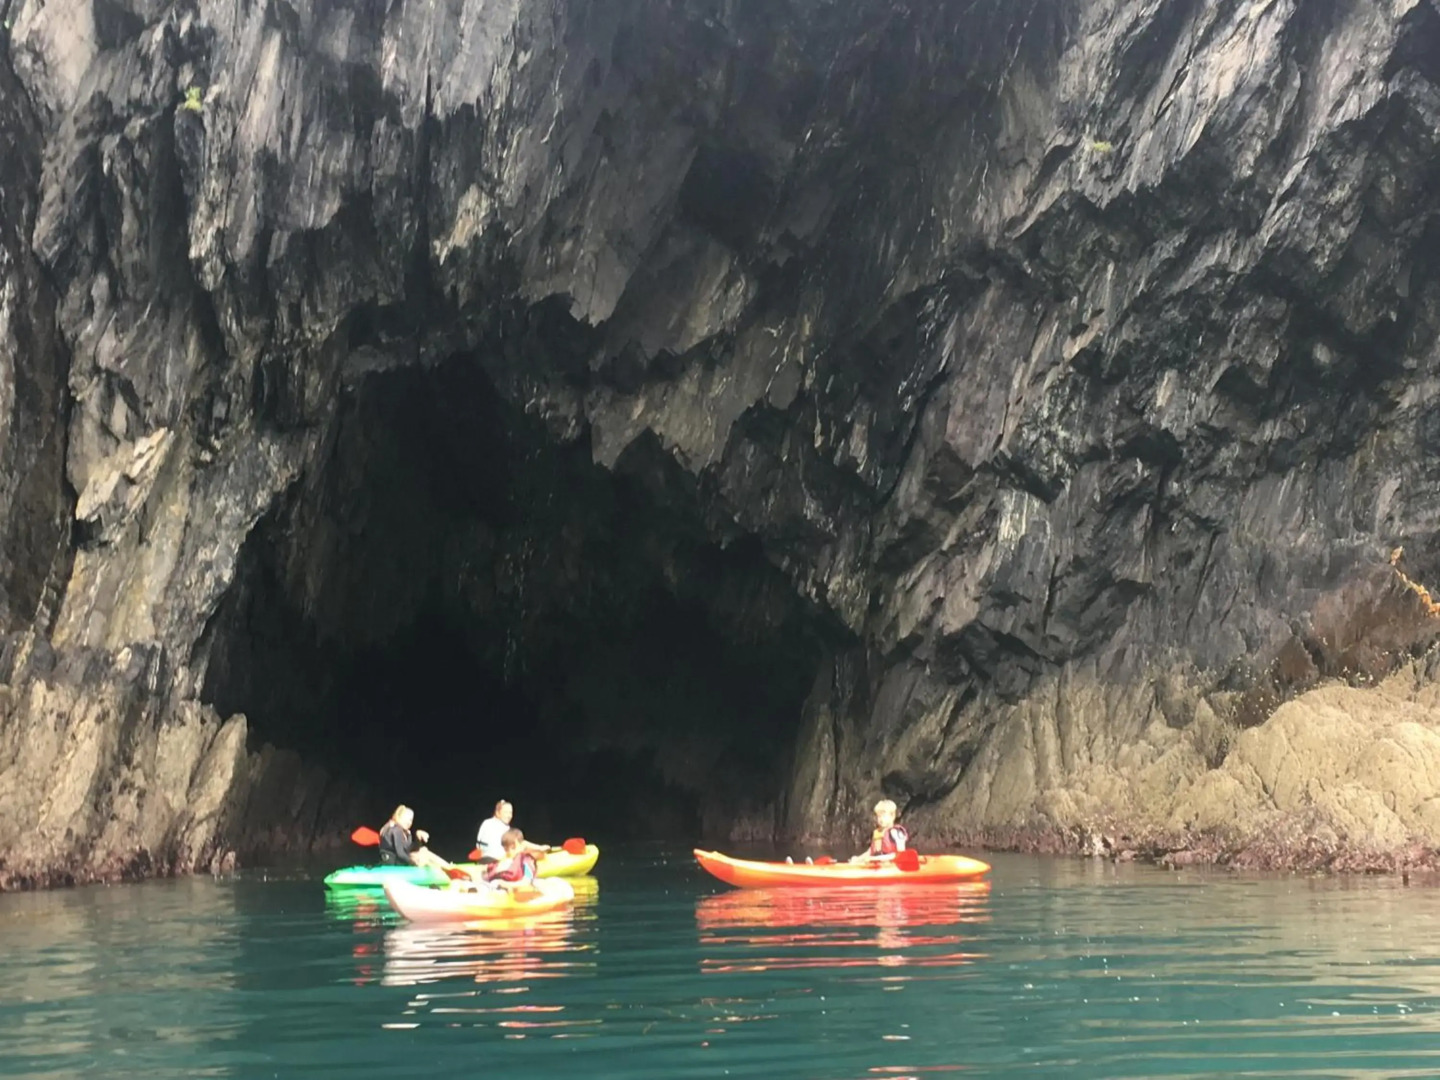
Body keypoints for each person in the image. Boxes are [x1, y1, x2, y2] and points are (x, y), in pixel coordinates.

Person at [379, 805, 452, 870]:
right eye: (406, 819)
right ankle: (448, 868)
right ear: (399, 816)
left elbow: (410, 850)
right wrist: (414, 864)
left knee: (423, 851)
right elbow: (400, 853)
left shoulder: (405, 832)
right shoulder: (396, 829)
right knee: (424, 856)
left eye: (410, 820)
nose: (409, 822)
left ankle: (448, 868)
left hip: (398, 862)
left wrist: (417, 837)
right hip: (393, 865)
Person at [476, 799, 549, 862]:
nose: (509, 816)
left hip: (482, 859)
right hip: (498, 860)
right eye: (505, 812)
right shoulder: (504, 828)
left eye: (510, 813)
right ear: (497, 813)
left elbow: (479, 846)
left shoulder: (486, 822)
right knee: (538, 854)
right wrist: (540, 848)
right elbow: (521, 843)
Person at [849, 799, 908, 864]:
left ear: (892, 816)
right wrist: (859, 858)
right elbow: (870, 852)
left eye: (883, 816)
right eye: (878, 816)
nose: (880, 819)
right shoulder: (877, 833)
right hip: (878, 865)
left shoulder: (896, 832)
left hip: (892, 866)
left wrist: (874, 858)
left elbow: (901, 854)